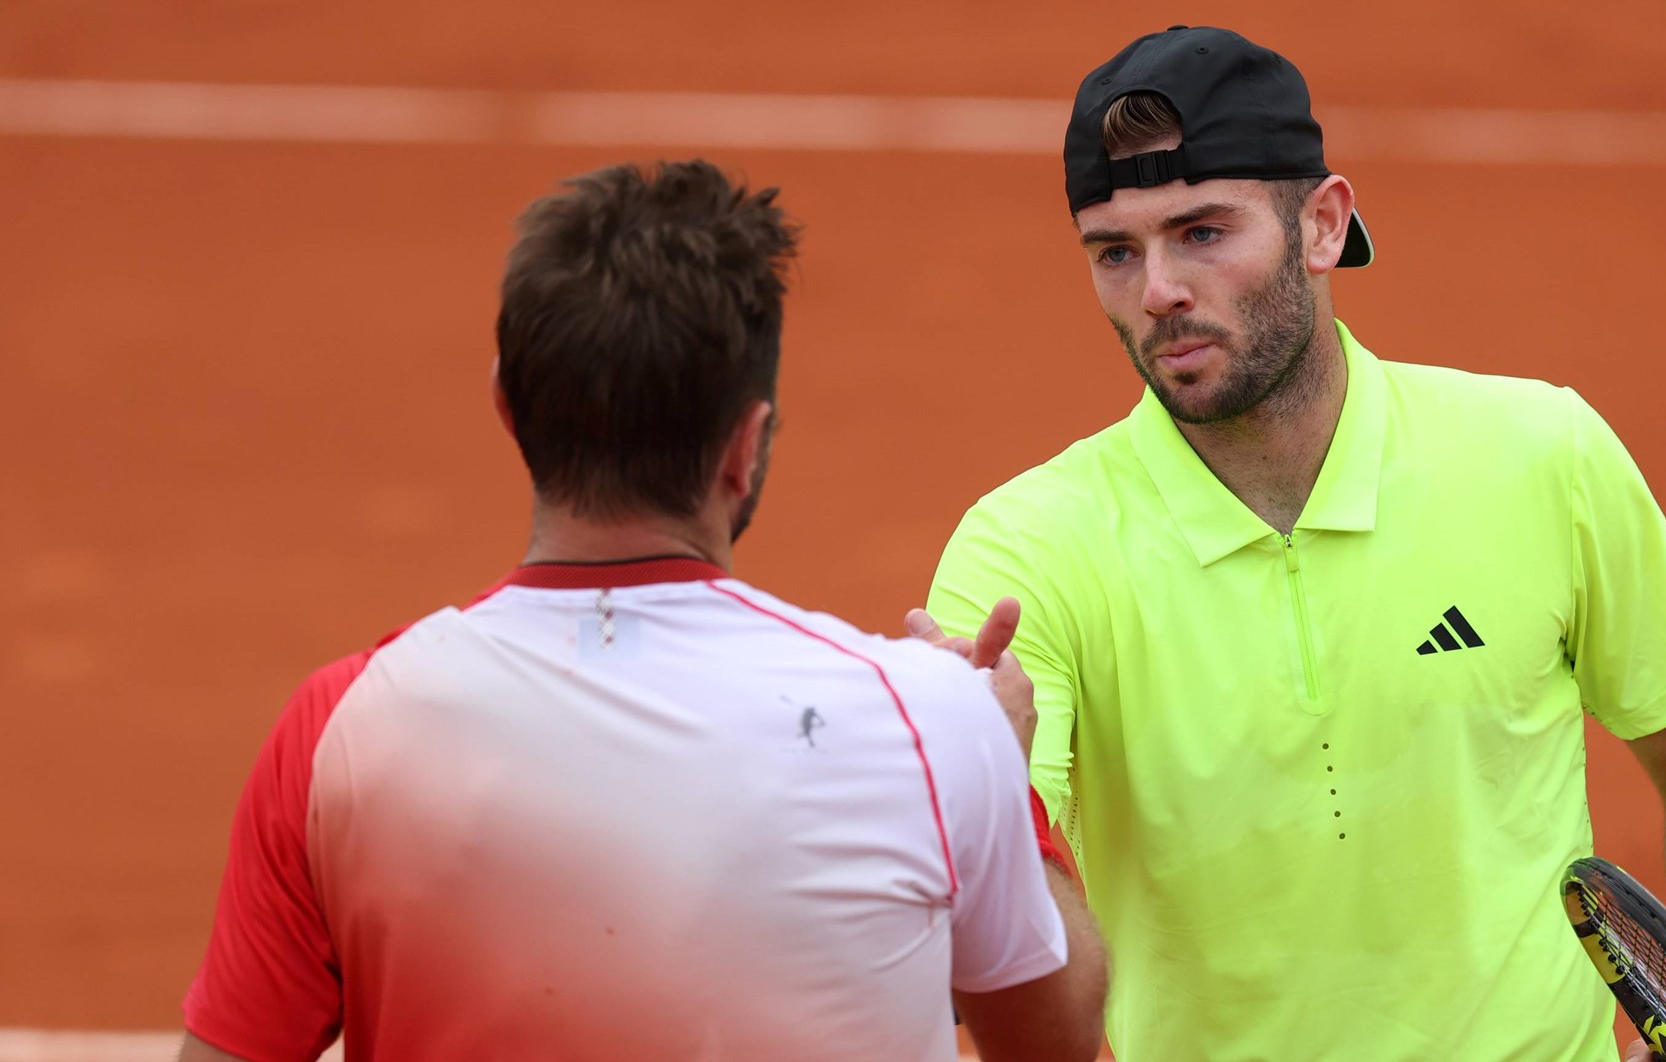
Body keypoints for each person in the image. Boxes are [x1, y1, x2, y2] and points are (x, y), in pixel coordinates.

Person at [920, 26, 1666, 1061]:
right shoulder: (1026, 554)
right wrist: (993, 817)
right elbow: (1006, 954)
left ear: (1320, 226)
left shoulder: (1540, 456)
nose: (1155, 291)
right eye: (1116, 251)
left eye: (1200, 232)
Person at [177, 160, 1105, 1062]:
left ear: (507, 408)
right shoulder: (932, 725)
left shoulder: (339, 730)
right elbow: (1053, 1047)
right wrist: (999, 768)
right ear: (748, 445)